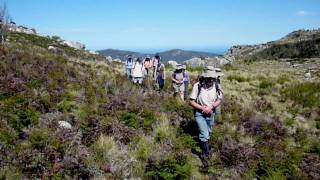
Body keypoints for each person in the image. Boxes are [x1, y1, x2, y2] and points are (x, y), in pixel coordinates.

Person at [189, 69, 222, 171]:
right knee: (204, 133)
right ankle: (205, 155)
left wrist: (211, 107)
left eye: (213, 78)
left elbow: (219, 99)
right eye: (209, 78)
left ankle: (205, 145)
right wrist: (202, 108)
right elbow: (191, 101)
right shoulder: (197, 86)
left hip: (210, 113)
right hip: (199, 113)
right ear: (205, 77)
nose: (211, 81)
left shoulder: (216, 85)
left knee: (209, 131)